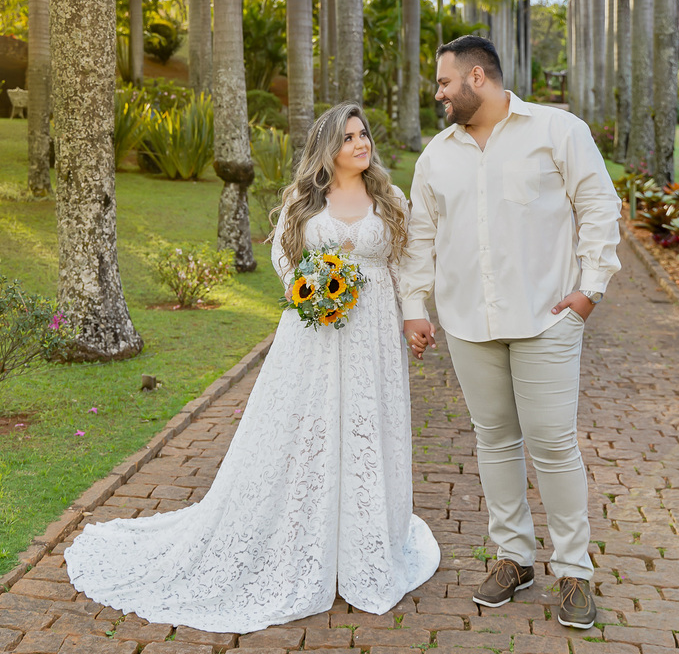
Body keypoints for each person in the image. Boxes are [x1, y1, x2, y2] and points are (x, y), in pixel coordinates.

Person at [65, 102, 439, 633]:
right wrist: (304, 288)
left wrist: (412, 315)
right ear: (327, 149)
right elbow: (285, 258)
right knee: (305, 428)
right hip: (316, 331)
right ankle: (300, 534)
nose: (361, 144)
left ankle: (363, 545)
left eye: (363, 135)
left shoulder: (390, 198)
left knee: (366, 425)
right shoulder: (304, 201)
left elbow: (405, 261)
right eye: (349, 137)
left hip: (373, 332)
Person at [399, 35, 621, 630]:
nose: (438, 93)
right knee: (494, 440)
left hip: (546, 318)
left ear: (477, 78)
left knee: (552, 444)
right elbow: (420, 238)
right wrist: (416, 306)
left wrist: (589, 290)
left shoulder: (557, 130)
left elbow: (599, 205)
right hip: (469, 322)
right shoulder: (435, 157)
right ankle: (514, 558)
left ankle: (574, 570)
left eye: (445, 82)